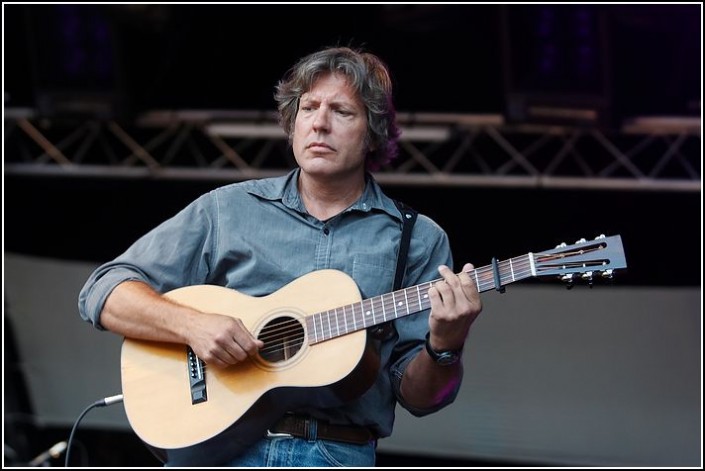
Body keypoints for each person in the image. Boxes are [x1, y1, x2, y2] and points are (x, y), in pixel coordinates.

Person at [78, 45, 482, 467]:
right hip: (220, 451)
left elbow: (421, 398)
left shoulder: (416, 238)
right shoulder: (228, 208)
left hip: (336, 453)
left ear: (373, 132)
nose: (320, 124)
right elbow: (103, 291)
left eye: (342, 112)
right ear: (292, 124)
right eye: (308, 108)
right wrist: (192, 325)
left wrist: (446, 345)